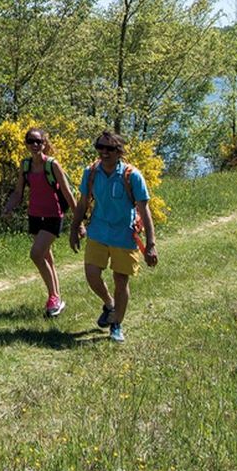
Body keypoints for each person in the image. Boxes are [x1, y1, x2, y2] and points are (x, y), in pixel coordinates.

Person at [68, 131, 158, 343]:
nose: (104, 152)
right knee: (91, 274)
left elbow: (145, 211)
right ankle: (110, 305)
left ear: (119, 151)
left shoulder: (132, 175)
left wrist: (151, 245)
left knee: (120, 280)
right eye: (100, 147)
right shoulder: (90, 173)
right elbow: (82, 203)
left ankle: (116, 324)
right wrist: (74, 228)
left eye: (109, 148)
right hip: (98, 231)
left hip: (124, 236)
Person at [4, 128, 77, 317]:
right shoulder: (25, 165)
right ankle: (57, 299)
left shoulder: (52, 165)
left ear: (44, 144)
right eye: (31, 141)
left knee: (36, 254)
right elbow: (18, 192)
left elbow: (68, 194)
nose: (35, 145)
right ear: (26, 144)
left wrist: (79, 222)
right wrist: (9, 207)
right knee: (46, 257)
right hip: (34, 216)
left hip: (53, 216)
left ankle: (53, 298)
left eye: (38, 141)